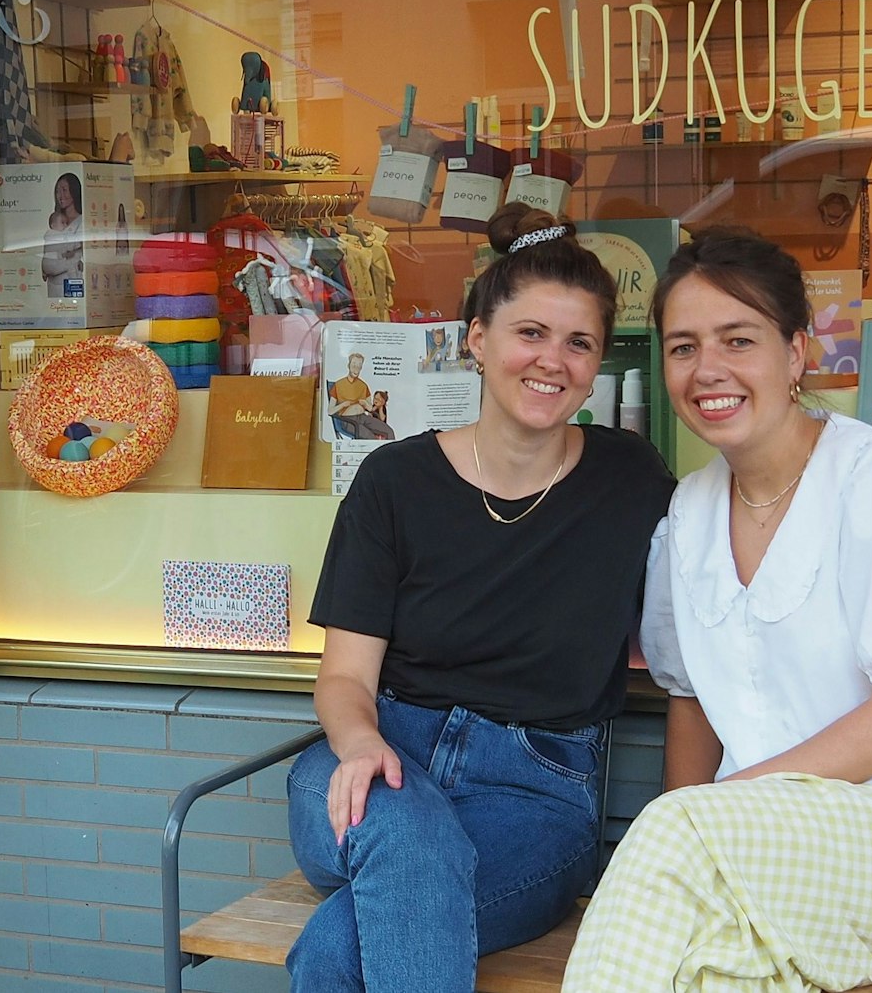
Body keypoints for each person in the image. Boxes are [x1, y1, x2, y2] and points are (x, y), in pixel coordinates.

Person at [563, 227, 872, 993]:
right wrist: (709, 833)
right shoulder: (689, 512)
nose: (707, 369)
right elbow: (691, 703)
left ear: (796, 353)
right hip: (763, 845)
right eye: (682, 347)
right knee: (700, 973)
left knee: (674, 839)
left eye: (737, 340)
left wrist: (711, 817)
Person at [287, 203, 677, 993]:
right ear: (477, 339)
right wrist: (360, 744)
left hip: (534, 792)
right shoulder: (394, 482)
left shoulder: (630, 480)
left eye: (578, 343)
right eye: (530, 332)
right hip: (379, 753)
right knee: (408, 839)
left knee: (341, 945)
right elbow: (345, 678)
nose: (552, 361)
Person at [327, 352, 395, 440]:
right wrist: (343, 405)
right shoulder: (338, 385)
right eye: (354, 364)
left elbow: (370, 408)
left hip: (363, 417)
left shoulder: (363, 386)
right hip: (348, 420)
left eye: (359, 365)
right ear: (348, 365)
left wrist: (366, 404)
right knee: (371, 438)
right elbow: (330, 411)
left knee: (389, 432)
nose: (356, 367)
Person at [41, 171, 85, 297]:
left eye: (64, 190)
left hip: (72, 283)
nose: (60, 195)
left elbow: (81, 252)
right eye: (57, 191)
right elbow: (49, 251)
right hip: (54, 287)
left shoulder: (82, 222)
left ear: (74, 191)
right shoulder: (55, 222)